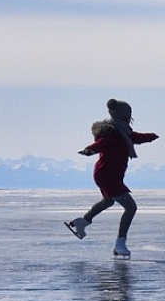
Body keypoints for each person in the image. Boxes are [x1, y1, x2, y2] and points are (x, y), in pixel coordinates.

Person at [65, 99, 159, 259]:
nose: (130, 117)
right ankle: (120, 244)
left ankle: (82, 222)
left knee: (108, 201)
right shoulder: (113, 133)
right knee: (130, 207)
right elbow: (101, 144)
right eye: (129, 115)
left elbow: (135, 137)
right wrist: (89, 150)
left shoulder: (123, 132)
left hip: (108, 175)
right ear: (124, 116)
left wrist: (151, 137)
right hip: (108, 175)